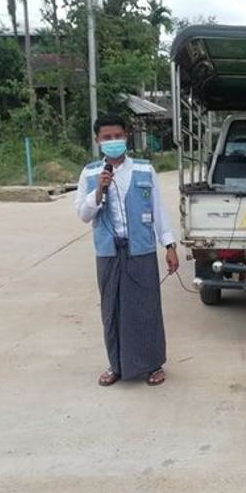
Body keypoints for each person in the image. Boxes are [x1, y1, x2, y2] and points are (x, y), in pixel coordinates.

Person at [75, 113, 179, 387]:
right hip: (108, 252)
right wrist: (98, 191)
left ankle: (153, 364)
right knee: (112, 309)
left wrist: (169, 245)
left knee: (146, 308)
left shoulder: (145, 170)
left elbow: (158, 211)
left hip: (141, 250)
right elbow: (83, 215)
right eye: (107, 137)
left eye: (118, 136)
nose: (113, 141)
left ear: (127, 137)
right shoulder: (90, 174)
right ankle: (117, 365)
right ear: (97, 140)